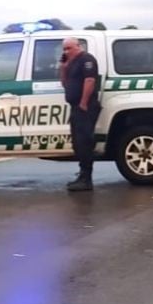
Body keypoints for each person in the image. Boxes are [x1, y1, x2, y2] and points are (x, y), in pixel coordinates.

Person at [60, 37, 100, 192]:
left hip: (86, 107)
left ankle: (86, 179)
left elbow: (89, 80)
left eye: (69, 48)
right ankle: (82, 175)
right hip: (76, 107)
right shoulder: (71, 64)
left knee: (84, 142)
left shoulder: (86, 60)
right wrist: (63, 67)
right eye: (64, 49)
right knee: (77, 143)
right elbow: (64, 83)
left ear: (78, 46)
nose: (66, 52)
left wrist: (83, 102)